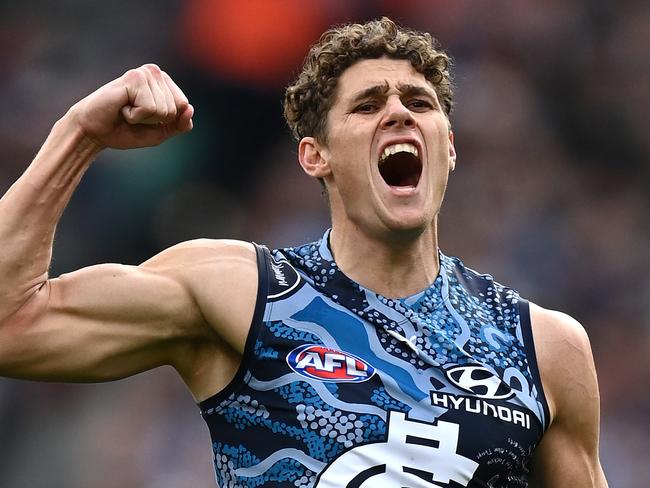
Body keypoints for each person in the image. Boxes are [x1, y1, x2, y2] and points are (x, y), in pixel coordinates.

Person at [0, 17, 608, 487]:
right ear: (315, 156)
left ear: (448, 147)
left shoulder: (543, 346)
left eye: (419, 104)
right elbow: (10, 324)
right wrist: (80, 134)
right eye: (368, 106)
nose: (398, 113)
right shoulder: (244, 293)